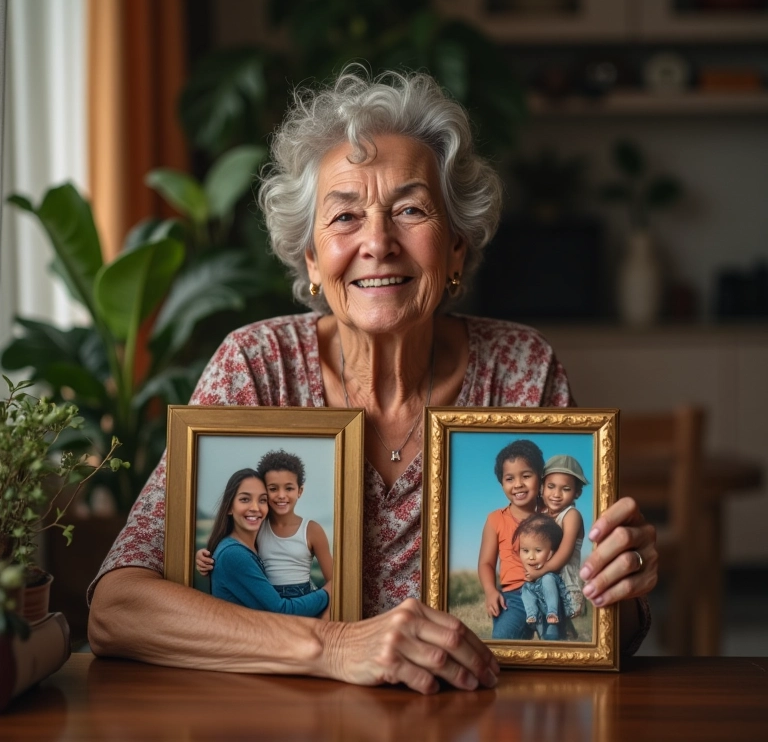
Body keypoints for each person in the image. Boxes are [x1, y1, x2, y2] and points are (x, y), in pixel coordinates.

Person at [88, 65, 658, 695]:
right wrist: (331, 646)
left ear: (457, 250)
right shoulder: (256, 364)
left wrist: (619, 582)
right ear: (310, 259)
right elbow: (117, 611)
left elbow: (599, 630)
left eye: (410, 210)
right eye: (345, 217)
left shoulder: (520, 367)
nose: (378, 242)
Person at [196, 450, 333, 597]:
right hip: (266, 597)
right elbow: (234, 543)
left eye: (289, 488)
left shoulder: (311, 530)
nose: (281, 495)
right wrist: (202, 556)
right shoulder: (257, 526)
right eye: (273, 489)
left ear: (300, 491)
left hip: (304, 599)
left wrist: (324, 618)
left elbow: (334, 582)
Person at [478, 440, 547, 639]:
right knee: (502, 643)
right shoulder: (495, 519)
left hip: (549, 593)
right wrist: (491, 592)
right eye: (509, 478)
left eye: (526, 476)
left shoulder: (551, 515)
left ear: (540, 478)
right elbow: (486, 563)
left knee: (559, 650)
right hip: (513, 598)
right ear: (502, 483)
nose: (518, 484)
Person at [531, 454, 588, 619]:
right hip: (546, 582)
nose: (556, 494)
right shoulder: (541, 514)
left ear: (577, 493)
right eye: (551, 486)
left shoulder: (571, 516)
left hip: (567, 588)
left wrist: (538, 572)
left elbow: (564, 553)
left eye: (566, 489)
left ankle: (564, 624)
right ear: (542, 488)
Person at [515, 514, 576, 641]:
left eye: (538, 551)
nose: (531, 557)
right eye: (525, 551)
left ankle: (552, 617)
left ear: (550, 553)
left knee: (547, 579)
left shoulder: (550, 576)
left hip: (555, 608)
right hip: (539, 609)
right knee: (526, 588)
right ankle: (533, 617)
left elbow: (553, 590)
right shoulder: (528, 580)